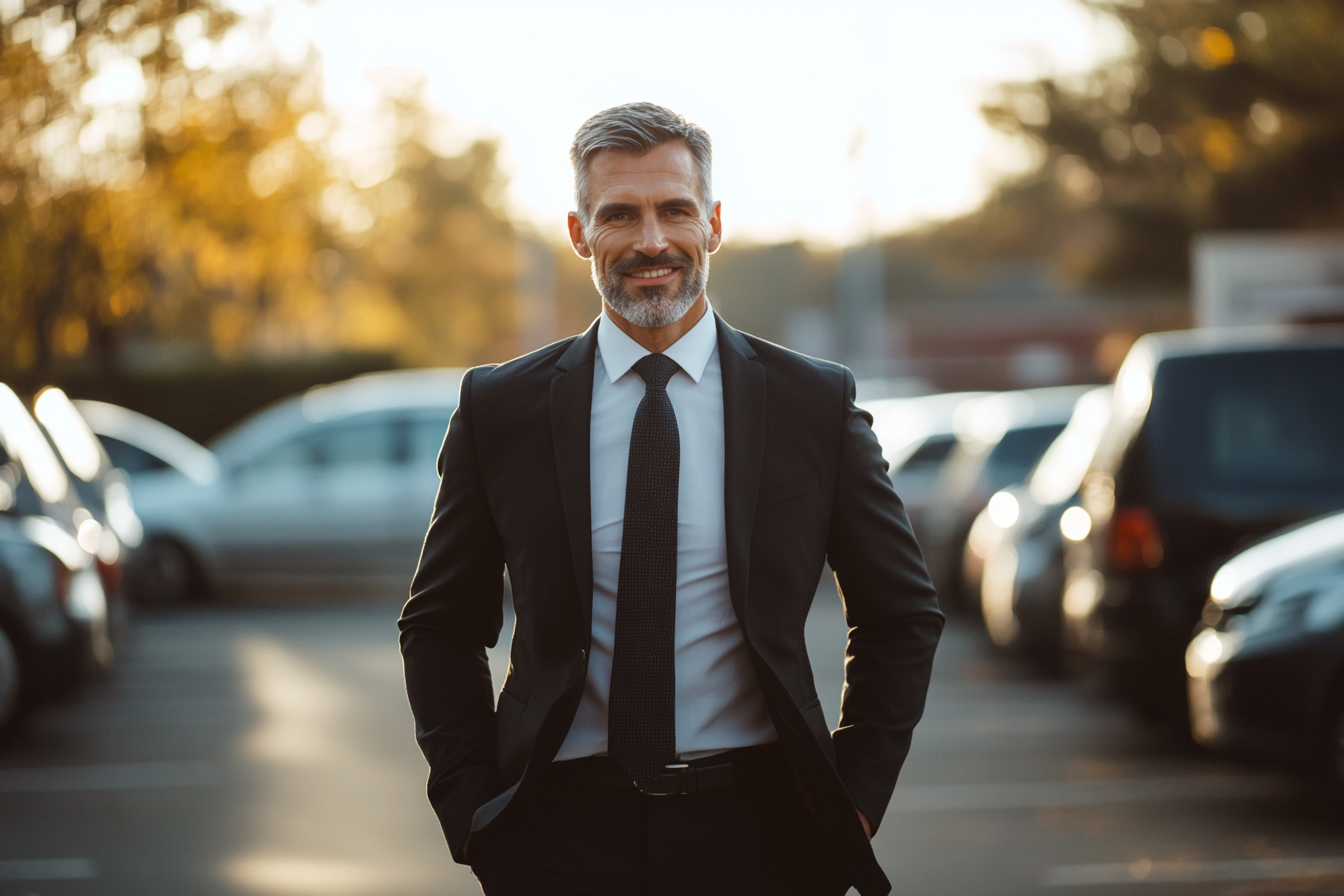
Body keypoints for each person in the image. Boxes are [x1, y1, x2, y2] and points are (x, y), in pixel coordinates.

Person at [399, 102, 943, 896]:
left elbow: (901, 613)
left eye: (674, 210)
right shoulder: (500, 409)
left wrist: (852, 802)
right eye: (619, 214)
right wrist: (473, 812)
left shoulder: (811, 406)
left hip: (763, 834)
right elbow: (440, 625)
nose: (651, 241)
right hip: (557, 837)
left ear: (713, 223)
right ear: (581, 232)